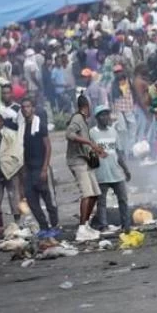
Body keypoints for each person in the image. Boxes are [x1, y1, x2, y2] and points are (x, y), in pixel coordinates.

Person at [65, 96, 105, 242]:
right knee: (87, 194)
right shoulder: (77, 118)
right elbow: (69, 134)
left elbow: (85, 140)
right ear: (86, 106)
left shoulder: (83, 121)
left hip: (85, 160)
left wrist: (97, 149)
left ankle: (86, 224)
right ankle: (81, 229)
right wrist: (89, 142)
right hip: (77, 161)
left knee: (95, 193)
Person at [89, 107, 132, 233]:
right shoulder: (92, 133)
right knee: (101, 202)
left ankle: (126, 224)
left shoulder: (113, 132)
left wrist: (126, 169)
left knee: (123, 199)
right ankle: (103, 225)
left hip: (116, 172)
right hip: (100, 174)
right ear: (97, 118)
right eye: (103, 115)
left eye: (107, 114)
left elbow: (118, 153)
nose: (106, 117)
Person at [20, 98, 59, 238]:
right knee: (31, 200)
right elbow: (23, 149)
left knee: (48, 198)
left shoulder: (40, 125)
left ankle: (54, 225)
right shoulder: (22, 127)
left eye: (28, 106)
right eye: (23, 107)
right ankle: (43, 226)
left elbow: (47, 146)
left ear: (33, 108)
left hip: (40, 166)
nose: (25, 109)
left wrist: (44, 168)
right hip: (29, 169)